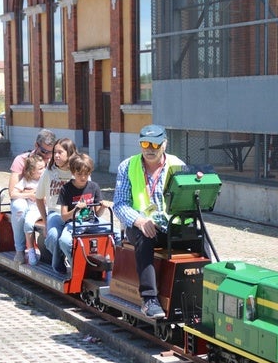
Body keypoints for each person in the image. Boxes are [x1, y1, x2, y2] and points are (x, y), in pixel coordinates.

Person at [113, 125, 185, 318]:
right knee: (144, 238)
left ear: (165, 144)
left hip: (169, 225)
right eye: (145, 143)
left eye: (154, 144)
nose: (149, 148)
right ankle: (149, 299)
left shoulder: (177, 165)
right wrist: (139, 220)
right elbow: (119, 204)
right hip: (139, 225)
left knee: (200, 235)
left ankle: (209, 286)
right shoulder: (127, 166)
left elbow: (186, 200)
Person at [57, 153, 111, 279]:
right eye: (79, 174)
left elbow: (97, 213)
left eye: (86, 174)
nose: (83, 177)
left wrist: (102, 206)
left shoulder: (94, 186)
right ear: (72, 172)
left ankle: (107, 265)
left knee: (117, 235)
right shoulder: (66, 189)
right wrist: (75, 210)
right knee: (64, 241)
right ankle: (76, 262)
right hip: (73, 223)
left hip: (92, 221)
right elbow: (64, 217)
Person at [8, 129, 56, 263]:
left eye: (51, 152)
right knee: (19, 207)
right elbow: (12, 192)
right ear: (36, 146)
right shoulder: (21, 160)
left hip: (47, 201)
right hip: (27, 200)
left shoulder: (54, 161)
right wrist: (31, 194)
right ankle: (20, 250)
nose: (47, 156)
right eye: (44, 151)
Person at [35, 137, 78, 272]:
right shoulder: (49, 172)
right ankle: (58, 259)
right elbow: (39, 198)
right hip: (55, 213)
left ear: (70, 154)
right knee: (53, 236)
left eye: (60, 152)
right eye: (55, 152)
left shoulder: (78, 171)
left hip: (74, 214)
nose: (56, 156)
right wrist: (46, 220)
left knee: (67, 240)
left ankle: (78, 266)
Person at [10, 154, 46, 265]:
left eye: (44, 167)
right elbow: (13, 193)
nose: (44, 170)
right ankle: (31, 250)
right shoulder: (26, 181)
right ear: (31, 171)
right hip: (34, 210)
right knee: (27, 223)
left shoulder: (46, 179)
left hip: (46, 209)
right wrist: (30, 194)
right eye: (40, 169)